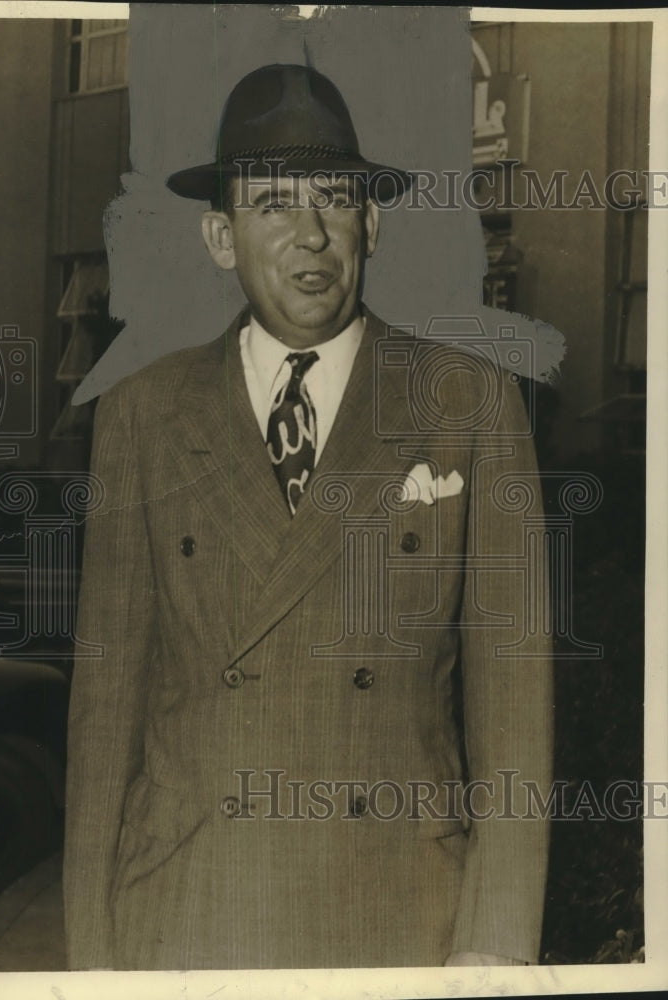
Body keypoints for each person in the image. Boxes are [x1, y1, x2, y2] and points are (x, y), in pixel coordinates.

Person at [63, 63, 553, 971]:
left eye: (337, 197)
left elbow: (514, 711)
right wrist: (90, 958)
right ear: (221, 234)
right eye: (274, 203)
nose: (312, 234)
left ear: (374, 220)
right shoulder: (140, 413)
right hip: (190, 909)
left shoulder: (470, 404)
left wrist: (495, 950)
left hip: (400, 912)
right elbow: (104, 715)